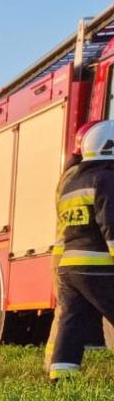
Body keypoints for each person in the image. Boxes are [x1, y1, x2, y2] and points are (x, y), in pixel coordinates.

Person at [45, 120, 114, 381]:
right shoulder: (106, 179)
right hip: (98, 266)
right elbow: (111, 224)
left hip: (69, 267)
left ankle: (61, 378)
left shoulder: (73, 182)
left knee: (71, 325)